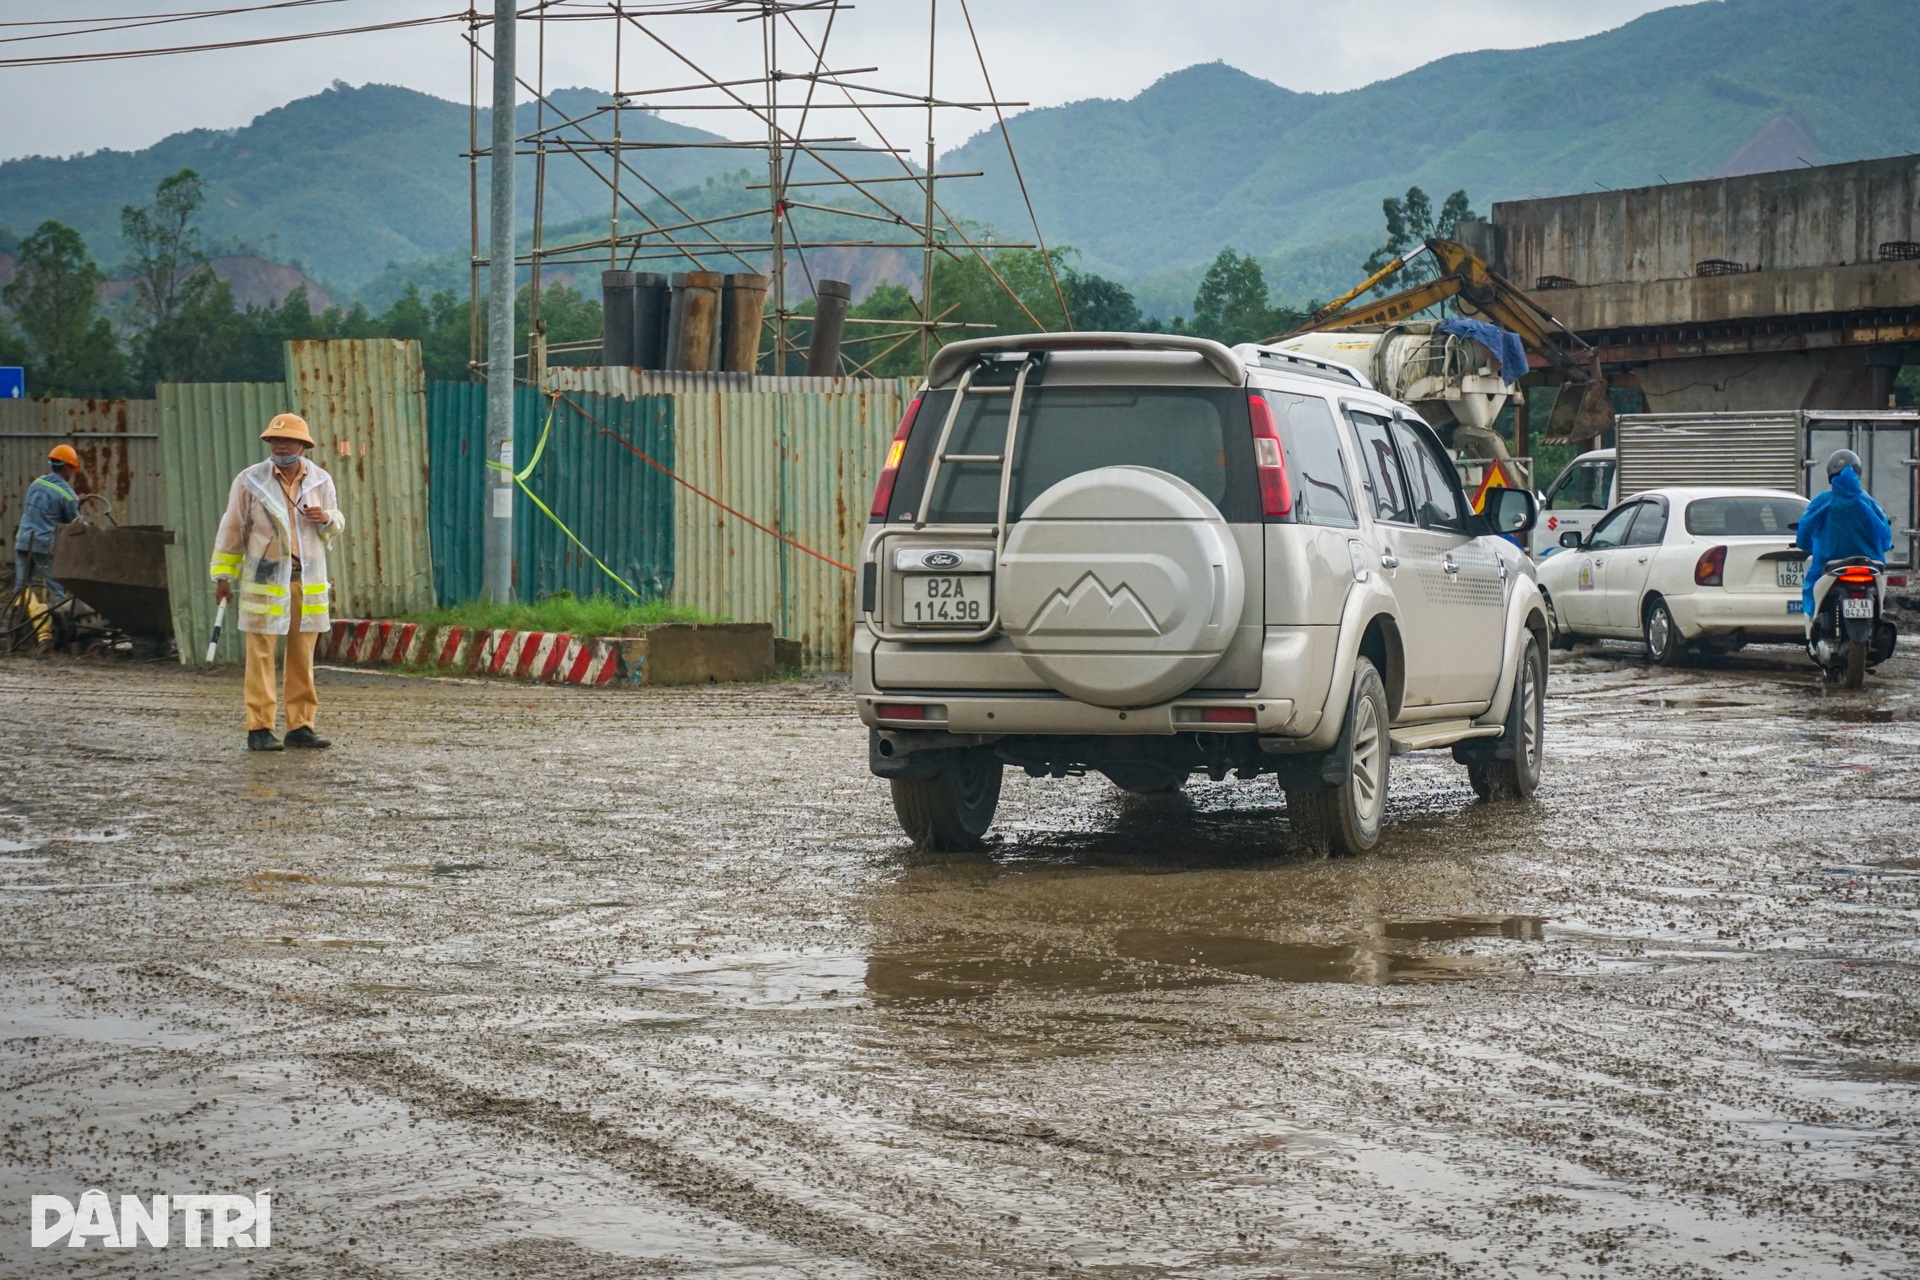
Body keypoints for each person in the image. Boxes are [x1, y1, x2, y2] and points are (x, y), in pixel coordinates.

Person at [209, 413, 346, 751]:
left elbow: (337, 520)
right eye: (274, 440)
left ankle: (300, 726)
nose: (279, 445)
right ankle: (259, 728)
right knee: (260, 655)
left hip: (306, 582)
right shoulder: (250, 481)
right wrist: (223, 576)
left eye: (287, 440)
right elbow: (232, 529)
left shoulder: (320, 480)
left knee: (303, 656)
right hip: (265, 583)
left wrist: (326, 518)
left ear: (303, 445)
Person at [1796, 448, 1893, 617]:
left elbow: (1805, 529)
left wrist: (1805, 544)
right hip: (1869, 564)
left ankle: (1813, 629)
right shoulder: (1868, 502)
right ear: (1858, 473)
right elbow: (1885, 538)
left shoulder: (1823, 501)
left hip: (1828, 565)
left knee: (1814, 596)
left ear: (1830, 473)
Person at [12, 444, 82, 602]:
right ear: (66, 467)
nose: (72, 473)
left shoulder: (36, 483)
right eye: (72, 469)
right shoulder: (68, 495)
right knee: (56, 589)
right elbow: (74, 523)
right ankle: (62, 624)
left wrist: (77, 502)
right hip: (42, 545)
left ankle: (16, 622)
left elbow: (43, 511)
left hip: (23, 541)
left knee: (20, 588)